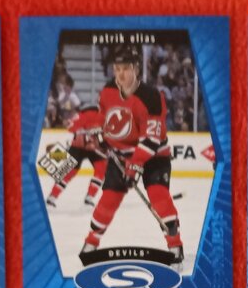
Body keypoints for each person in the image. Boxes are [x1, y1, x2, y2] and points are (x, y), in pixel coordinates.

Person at [79, 44, 184, 264]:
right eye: (117, 69)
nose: (120, 74)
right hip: (120, 157)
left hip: (153, 157)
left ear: (136, 69)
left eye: (125, 69)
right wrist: (99, 133)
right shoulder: (108, 90)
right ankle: (91, 242)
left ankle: (175, 245)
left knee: (159, 197)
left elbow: (152, 138)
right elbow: (102, 116)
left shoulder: (151, 96)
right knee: (108, 200)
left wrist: (135, 165)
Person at [45, 105, 107, 210]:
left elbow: (70, 128)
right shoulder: (94, 115)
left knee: (98, 169)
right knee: (96, 171)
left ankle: (53, 197)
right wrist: (85, 134)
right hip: (85, 147)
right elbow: (71, 127)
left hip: (86, 147)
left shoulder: (82, 115)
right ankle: (88, 198)